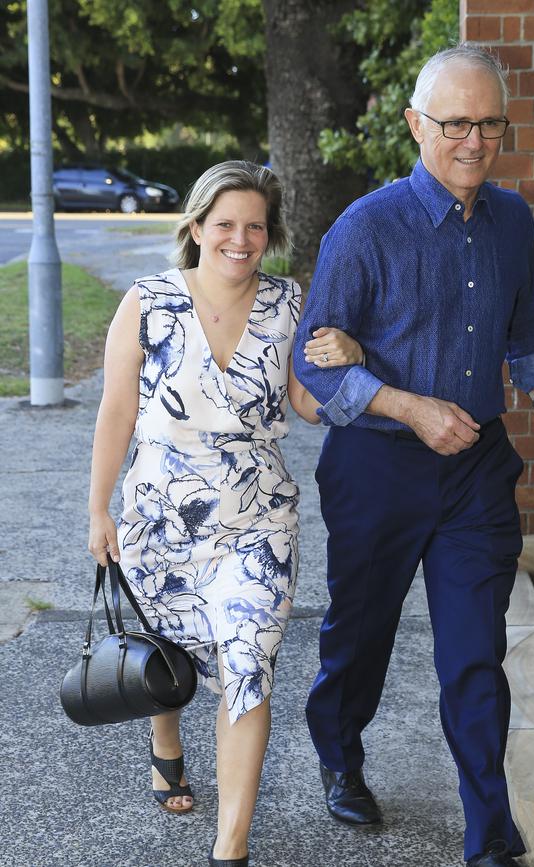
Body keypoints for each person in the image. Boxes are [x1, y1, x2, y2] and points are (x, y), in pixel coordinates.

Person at [294, 44, 534, 867]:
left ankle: (488, 826)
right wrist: (404, 404)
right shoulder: (365, 227)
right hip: (375, 468)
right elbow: (315, 363)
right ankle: (341, 754)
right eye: (455, 122)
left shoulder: (512, 220)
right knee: (360, 635)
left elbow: (525, 331)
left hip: (477, 472)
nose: (473, 140)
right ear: (417, 124)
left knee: (474, 650)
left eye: (490, 123)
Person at [87, 160, 362, 867]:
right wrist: (98, 509)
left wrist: (347, 359)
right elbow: (117, 411)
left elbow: (304, 404)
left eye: (255, 227)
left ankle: (229, 847)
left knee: (247, 665)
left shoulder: (287, 303)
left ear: (268, 236)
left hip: (256, 523)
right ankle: (166, 741)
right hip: (158, 520)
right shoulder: (147, 301)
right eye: (226, 225)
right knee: (170, 653)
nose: (241, 239)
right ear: (197, 228)